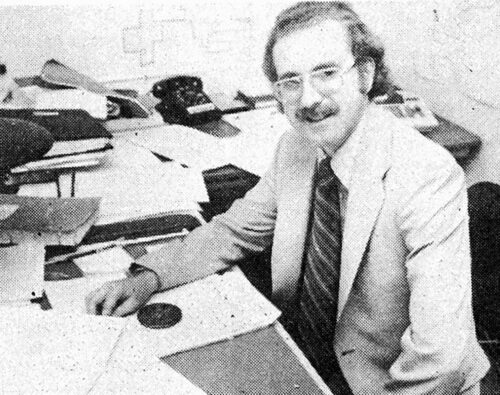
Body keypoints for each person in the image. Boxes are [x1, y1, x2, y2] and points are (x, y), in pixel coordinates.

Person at [86, 2, 490, 393]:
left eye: (327, 73)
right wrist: (150, 276)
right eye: (291, 81)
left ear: (365, 74)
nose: (309, 99)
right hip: (307, 358)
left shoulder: (427, 175)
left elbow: (442, 359)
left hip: (387, 381)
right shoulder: (296, 148)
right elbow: (235, 231)